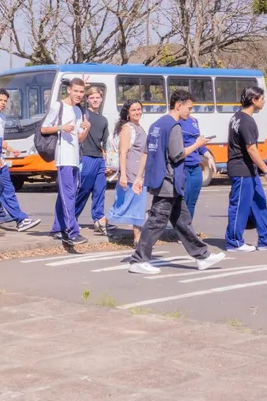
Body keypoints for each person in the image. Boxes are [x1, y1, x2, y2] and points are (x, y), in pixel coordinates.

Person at [128, 89, 226, 274]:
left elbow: (149, 152)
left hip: (163, 179)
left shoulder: (157, 124)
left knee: (182, 221)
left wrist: (141, 177)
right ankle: (139, 260)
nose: (190, 112)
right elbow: (177, 154)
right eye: (188, 108)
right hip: (169, 180)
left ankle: (202, 256)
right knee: (157, 221)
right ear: (178, 105)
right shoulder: (174, 126)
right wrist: (198, 144)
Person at [224, 86, 267, 252]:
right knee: (239, 205)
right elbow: (251, 149)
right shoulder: (246, 121)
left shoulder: (237, 117)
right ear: (253, 100)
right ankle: (234, 242)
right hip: (241, 169)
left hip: (249, 170)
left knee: (259, 202)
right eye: (261, 98)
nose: (264, 101)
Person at [0, 89, 41, 235]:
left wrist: (10, 148)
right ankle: (20, 219)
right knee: (4, 188)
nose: (3, 103)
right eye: (0, 100)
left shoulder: (2, 117)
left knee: (2, 188)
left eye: (5, 101)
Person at [45, 78, 91, 250]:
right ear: (69, 90)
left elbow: (79, 138)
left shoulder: (78, 111)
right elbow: (44, 128)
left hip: (75, 158)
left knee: (66, 194)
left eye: (81, 92)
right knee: (69, 194)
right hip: (63, 157)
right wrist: (60, 128)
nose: (79, 95)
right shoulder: (59, 107)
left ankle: (57, 228)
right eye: (76, 91)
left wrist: (86, 128)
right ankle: (71, 231)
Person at [106, 101, 148, 245]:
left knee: (136, 202)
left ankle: (137, 236)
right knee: (131, 201)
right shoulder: (127, 128)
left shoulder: (139, 127)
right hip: (131, 170)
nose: (137, 112)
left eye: (139, 109)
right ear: (128, 113)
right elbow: (123, 153)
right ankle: (136, 237)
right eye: (133, 110)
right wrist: (122, 175)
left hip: (140, 171)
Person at [75, 86, 110, 235]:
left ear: (101, 99)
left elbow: (106, 143)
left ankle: (98, 219)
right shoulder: (83, 113)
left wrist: (107, 162)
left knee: (100, 190)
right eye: (92, 98)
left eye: (97, 98)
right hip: (86, 156)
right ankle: (71, 217)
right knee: (84, 189)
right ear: (87, 99)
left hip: (99, 158)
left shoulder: (103, 119)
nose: (95, 100)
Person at [179, 105, 217, 219]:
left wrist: (209, 157)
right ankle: (180, 229)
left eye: (191, 108)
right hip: (183, 166)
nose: (190, 111)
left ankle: (187, 228)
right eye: (188, 108)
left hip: (195, 167)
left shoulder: (194, 121)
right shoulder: (176, 122)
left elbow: (199, 145)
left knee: (192, 201)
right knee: (183, 201)